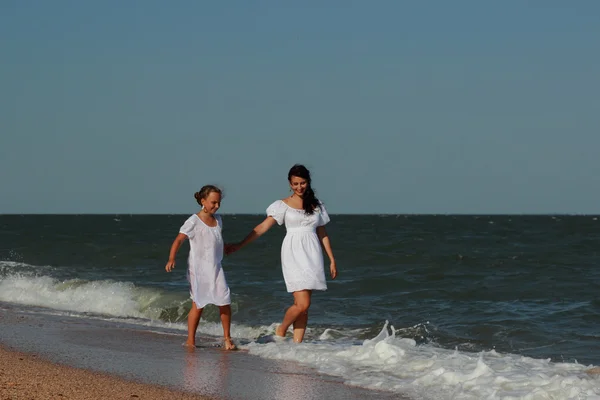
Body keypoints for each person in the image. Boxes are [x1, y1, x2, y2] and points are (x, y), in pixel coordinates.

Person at [227, 164, 337, 343]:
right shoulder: (282, 205)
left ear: (308, 182)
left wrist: (331, 259)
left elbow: (322, 233)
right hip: (293, 253)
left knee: (303, 307)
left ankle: (297, 347)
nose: (299, 187)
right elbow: (262, 227)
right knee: (303, 304)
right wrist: (240, 244)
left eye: (302, 183)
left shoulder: (317, 205)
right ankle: (281, 330)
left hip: (313, 253)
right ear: (289, 183)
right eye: (295, 184)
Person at [165, 185, 236, 350]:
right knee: (198, 304)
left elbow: (215, 239)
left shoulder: (218, 219)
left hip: (216, 268)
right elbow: (178, 240)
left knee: (225, 301)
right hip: (198, 270)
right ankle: (191, 340)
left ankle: (227, 338)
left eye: (218, 203)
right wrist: (171, 258)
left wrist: (224, 247)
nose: (216, 206)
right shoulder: (193, 221)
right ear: (203, 201)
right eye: (213, 202)